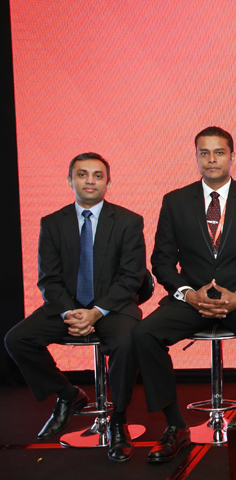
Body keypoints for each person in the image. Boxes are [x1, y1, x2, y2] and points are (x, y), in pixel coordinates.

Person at [132, 126, 236, 463]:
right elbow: (162, 259)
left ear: (232, 156)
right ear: (196, 156)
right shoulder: (175, 201)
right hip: (193, 297)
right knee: (144, 334)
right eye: (205, 153)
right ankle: (175, 425)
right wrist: (187, 294)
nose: (212, 159)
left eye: (219, 152)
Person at [5, 153, 146, 462]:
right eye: (82, 174)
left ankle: (118, 420)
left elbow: (131, 277)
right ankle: (68, 395)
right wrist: (69, 312)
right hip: (68, 307)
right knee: (17, 339)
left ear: (109, 183)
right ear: (70, 180)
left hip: (113, 307)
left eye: (98, 175)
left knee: (127, 341)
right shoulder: (52, 223)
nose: (90, 181)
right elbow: (49, 278)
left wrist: (95, 312)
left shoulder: (129, 221)